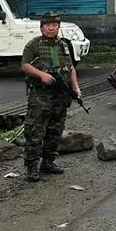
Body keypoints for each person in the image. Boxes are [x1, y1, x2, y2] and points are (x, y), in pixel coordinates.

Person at [20, 11, 82, 182]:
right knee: (35, 131)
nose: (51, 28)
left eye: (54, 25)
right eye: (47, 25)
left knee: (55, 130)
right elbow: (25, 65)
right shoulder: (34, 45)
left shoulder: (64, 45)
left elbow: (70, 69)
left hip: (60, 96)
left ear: (58, 27)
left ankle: (48, 162)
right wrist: (41, 75)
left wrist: (76, 88)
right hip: (41, 96)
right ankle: (32, 167)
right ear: (42, 27)